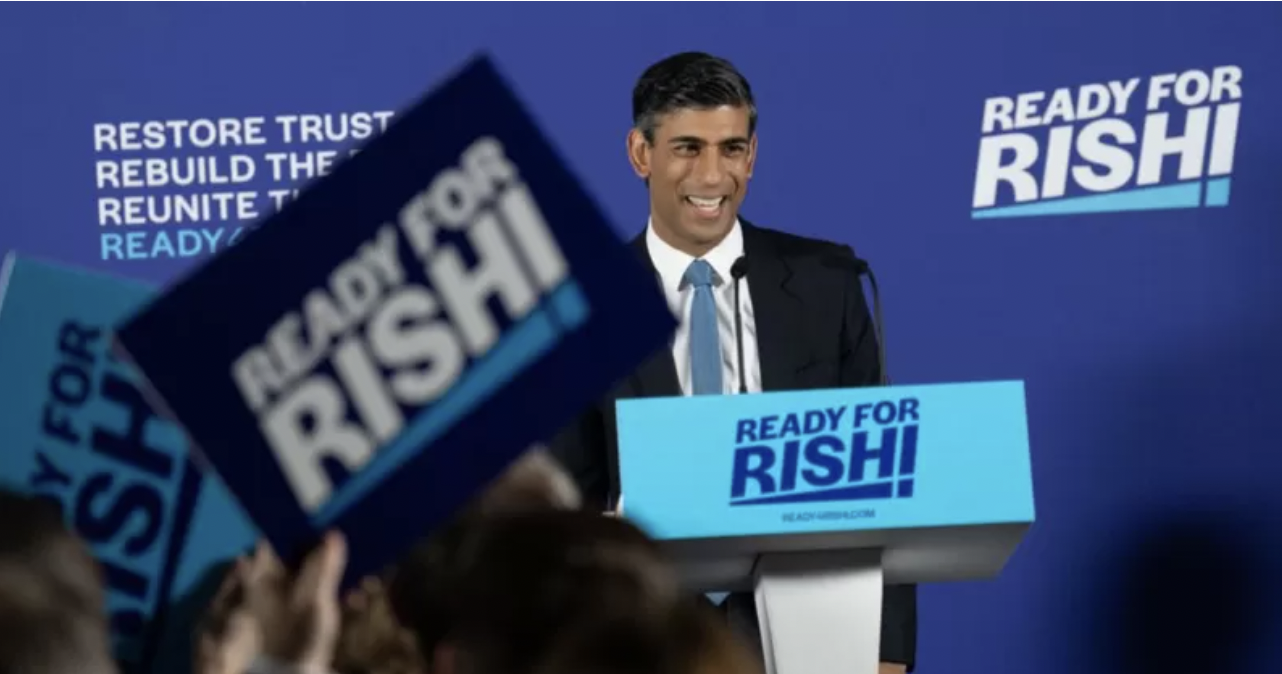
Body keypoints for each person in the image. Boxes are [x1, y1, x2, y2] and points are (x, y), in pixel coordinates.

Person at [547, 51, 917, 673]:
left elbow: (882, 483)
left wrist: (886, 652)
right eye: (688, 148)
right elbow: (565, 506)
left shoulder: (827, 282)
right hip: (643, 634)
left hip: (815, 627)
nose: (713, 175)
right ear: (641, 153)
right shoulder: (585, 305)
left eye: (732, 149)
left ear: (752, 154)